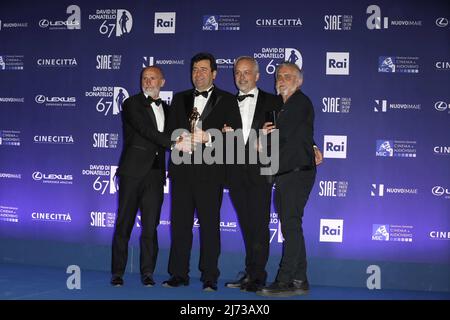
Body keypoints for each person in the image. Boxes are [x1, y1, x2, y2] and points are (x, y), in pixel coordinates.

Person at [163, 52, 241, 292]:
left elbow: (234, 136)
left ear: (214, 74)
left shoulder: (228, 100)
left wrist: (210, 138)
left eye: (204, 70)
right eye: (195, 69)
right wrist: (178, 140)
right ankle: (178, 274)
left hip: (211, 173)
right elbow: (168, 132)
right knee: (180, 225)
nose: (198, 74)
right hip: (182, 172)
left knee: (209, 226)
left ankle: (209, 276)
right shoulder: (179, 99)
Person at [110, 66, 186, 287]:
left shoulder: (168, 109)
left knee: (151, 227)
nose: (148, 82)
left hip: (155, 175)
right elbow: (146, 131)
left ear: (162, 82)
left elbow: (181, 130)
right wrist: (173, 143)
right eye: (145, 78)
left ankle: (147, 272)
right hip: (132, 173)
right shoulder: (131, 104)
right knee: (124, 224)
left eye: (153, 78)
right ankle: (117, 272)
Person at [257, 62, 318, 297]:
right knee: (291, 226)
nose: (281, 79)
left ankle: (284, 281)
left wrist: (263, 137)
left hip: (296, 173)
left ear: (299, 81)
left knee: (290, 225)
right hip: (286, 173)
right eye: (278, 76)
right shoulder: (282, 108)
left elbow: (280, 138)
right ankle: (300, 279)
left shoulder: (299, 102)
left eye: (287, 76)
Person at [223, 56, 281, 292]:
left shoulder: (273, 101)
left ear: (257, 76)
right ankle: (250, 272)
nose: (242, 77)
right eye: (238, 72)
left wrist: (314, 146)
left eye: (247, 72)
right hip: (235, 172)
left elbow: (289, 129)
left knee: (258, 224)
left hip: (261, 171)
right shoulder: (226, 103)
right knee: (247, 225)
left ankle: (258, 277)